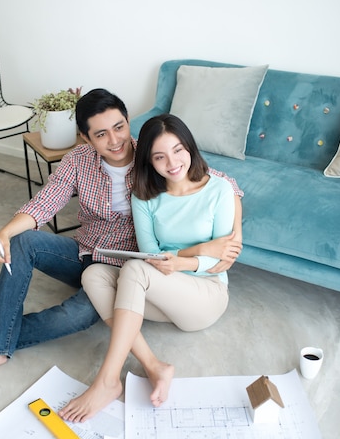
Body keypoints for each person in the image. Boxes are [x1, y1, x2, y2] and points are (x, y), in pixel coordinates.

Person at [0, 91, 243, 399]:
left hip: (125, 272)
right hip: (84, 251)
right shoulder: (78, 160)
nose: (114, 140)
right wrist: (4, 233)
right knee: (23, 241)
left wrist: (232, 235)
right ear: (86, 138)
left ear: (128, 121)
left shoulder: (153, 155)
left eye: (119, 127)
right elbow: (45, 201)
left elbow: (222, 182)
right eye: (101, 134)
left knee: (76, 315)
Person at [59, 114, 241, 423]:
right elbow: (150, 254)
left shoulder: (219, 190)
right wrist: (195, 249)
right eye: (159, 156)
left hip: (205, 296)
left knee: (134, 270)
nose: (172, 162)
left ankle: (107, 380)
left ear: (190, 148)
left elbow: (220, 260)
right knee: (94, 273)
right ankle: (154, 365)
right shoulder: (144, 196)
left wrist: (184, 262)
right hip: (160, 294)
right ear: (149, 161)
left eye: (178, 150)